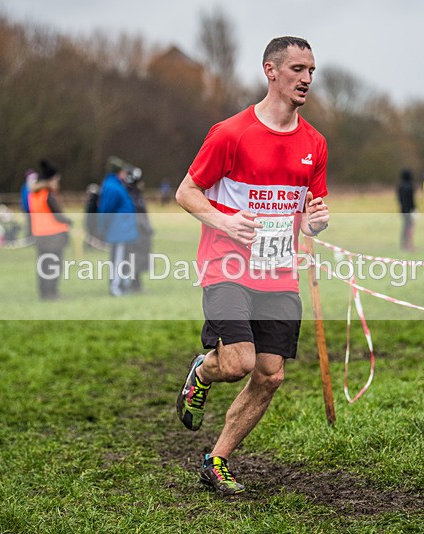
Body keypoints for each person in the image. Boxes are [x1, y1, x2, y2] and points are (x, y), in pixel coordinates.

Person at [174, 36, 329, 496]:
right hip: (227, 266)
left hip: (278, 270)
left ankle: (216, 460)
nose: (306, 79)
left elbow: (312, 212)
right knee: (239, 362)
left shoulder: (314, 143)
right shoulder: (230, 133)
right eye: (298, 69)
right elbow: (186, 192)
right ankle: (203, 371)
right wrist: (225, 221)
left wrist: (317, 223)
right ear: (271, 71)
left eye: (311, 71)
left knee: (271, 374)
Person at [29, 160, 72, 300]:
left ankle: (44, 293)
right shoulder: (48, 194)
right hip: (53, 235)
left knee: (43, 267)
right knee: (53, 267)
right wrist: (69, 221)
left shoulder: (34, 194)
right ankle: (52, 293)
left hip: (40, 234)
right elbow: (58, 215)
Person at [98, 156, 139, 297]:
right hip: (118, 231)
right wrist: (102, 229)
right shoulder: (112, 187)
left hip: (122, 230)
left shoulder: (114, 185)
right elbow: (106, 210)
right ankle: (115, 287)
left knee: (121, 259)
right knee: (117, 259)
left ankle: (121, 284)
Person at [124, 166, 153, 292]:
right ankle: (134, 284)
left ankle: (136, 283)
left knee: (136, 257)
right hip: (137, 231)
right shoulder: (132, 195)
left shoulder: (134, 193)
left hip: (138, 231)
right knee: (134, 257)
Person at [397, 168, 415, 250]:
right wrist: (414, 210)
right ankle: (409, 245)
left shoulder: (400, 186)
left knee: (405, 227)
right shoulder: (410, 186)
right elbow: (411, 200)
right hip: (409, 210)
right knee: (410, 227)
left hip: (403, 210)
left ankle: (404, 244)